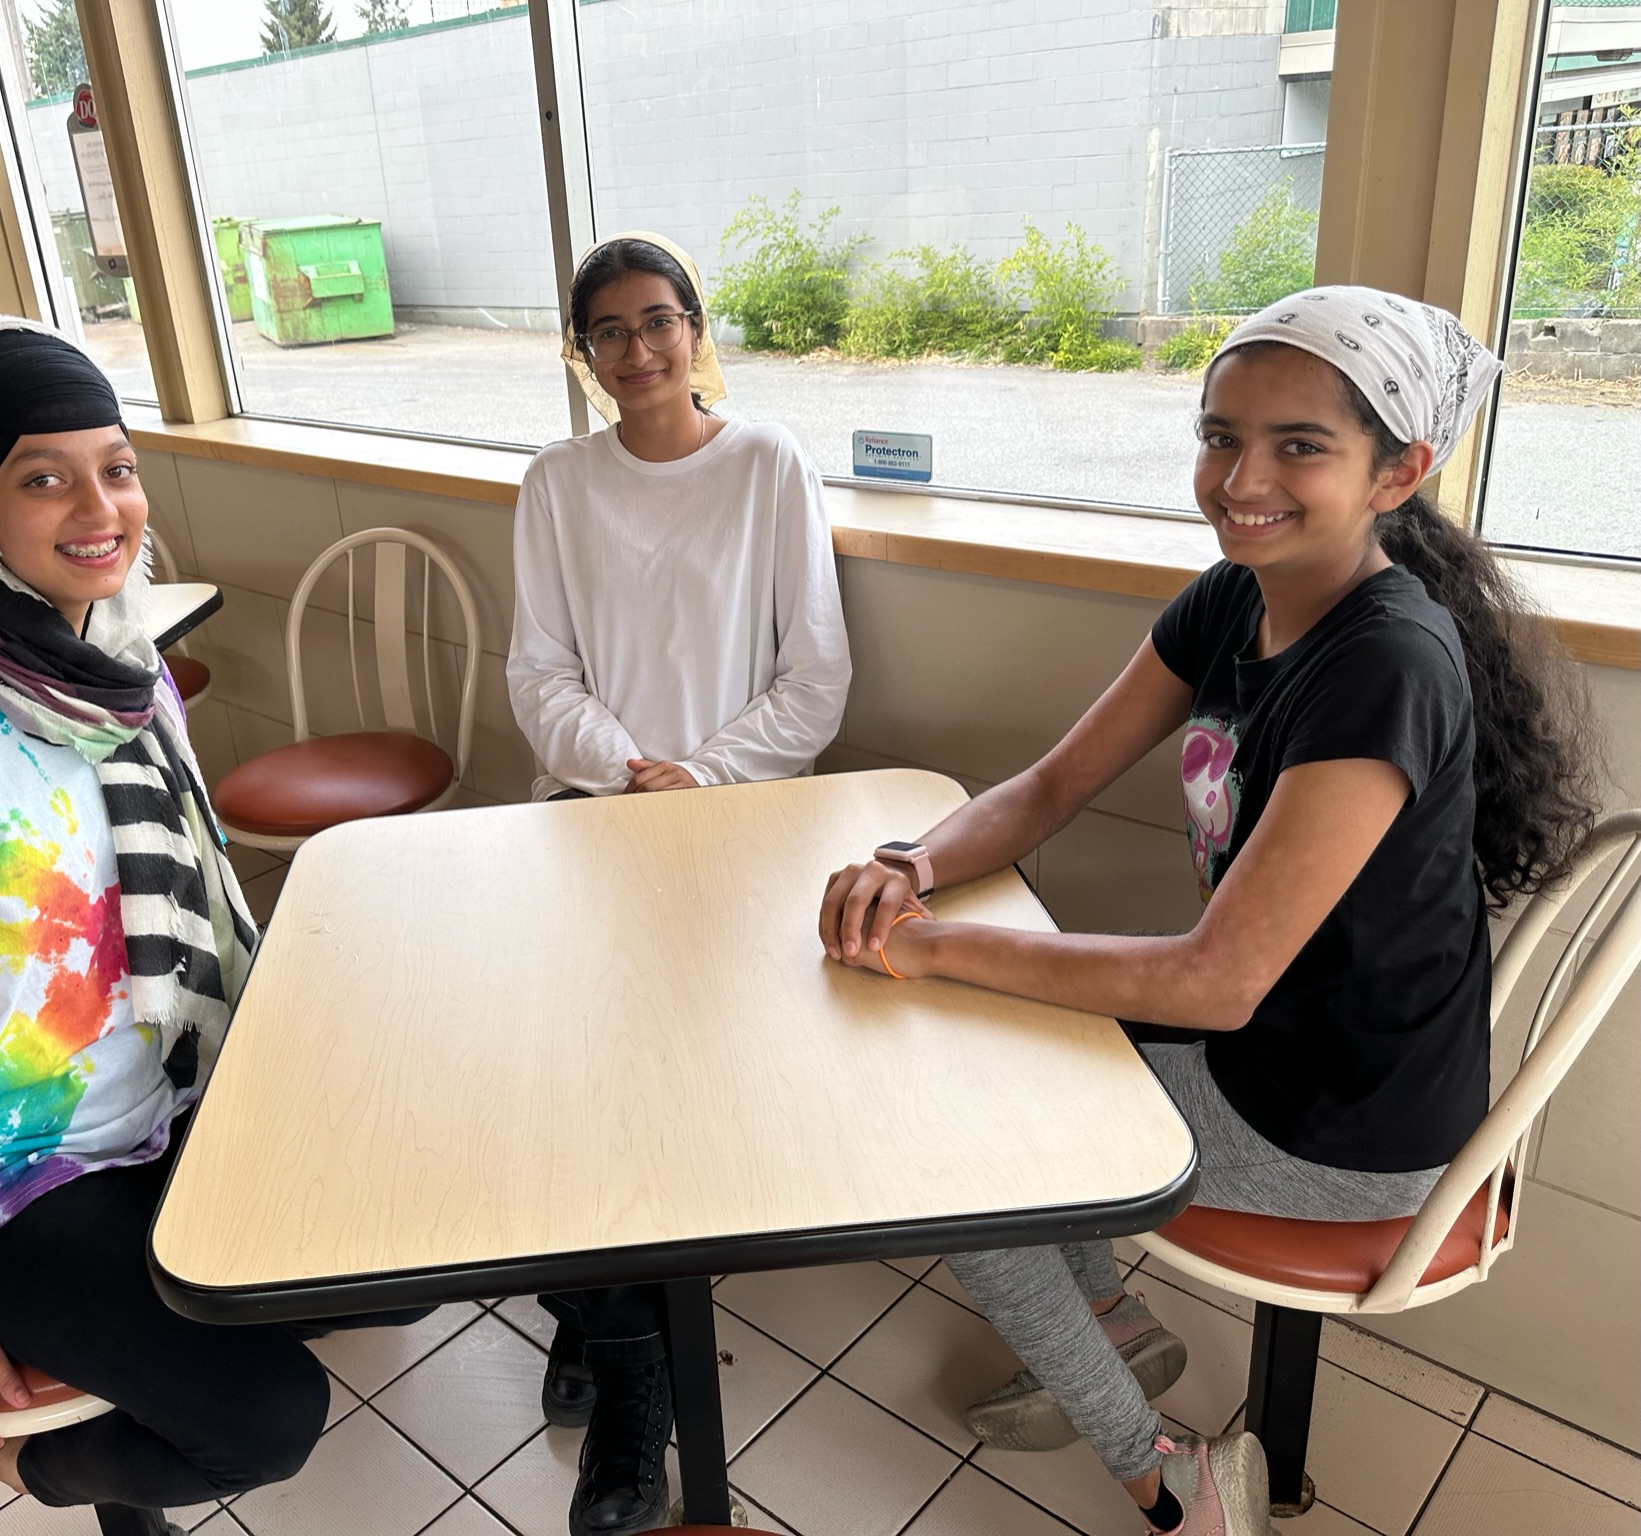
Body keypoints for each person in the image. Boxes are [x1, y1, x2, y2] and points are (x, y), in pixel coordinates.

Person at [816, 287, 1594, 1536]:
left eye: (1300, 446)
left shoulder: (1385, 662)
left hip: (1346, 1120)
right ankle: (1111, 1321)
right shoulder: (1238, 592)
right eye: (1220, 435)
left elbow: (1213, 982)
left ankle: (1172, 1484)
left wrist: (933, 951)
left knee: (959, 1154)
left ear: (1399, 473)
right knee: (986, 1048)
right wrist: (911, 867)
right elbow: (1051, 786)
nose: (1241, 480)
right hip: (1265, 1040)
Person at [0, 314, 425, 1536]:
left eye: (118, 468)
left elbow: (196, 903)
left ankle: (147, 1357)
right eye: (43, 478)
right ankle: (16, 1464)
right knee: (266, 1421)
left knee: (407, 1268)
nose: (101, 510)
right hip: (18, 1179)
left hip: (180, 1100)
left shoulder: (125, 668)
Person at [506, 234, 852, 1536]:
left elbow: (816, 679)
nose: (639, 348)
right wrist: (624, 770)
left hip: (735, 822)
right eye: (609, 330)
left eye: (660, 320)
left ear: (696, 330)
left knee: (681, 1099)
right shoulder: (556, 483)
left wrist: (696, 777)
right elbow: (538, 674)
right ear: (583, 354)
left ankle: (623, 1356)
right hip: (592, 815)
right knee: (564, 1086)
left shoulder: (767, 466)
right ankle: (610, 1325)